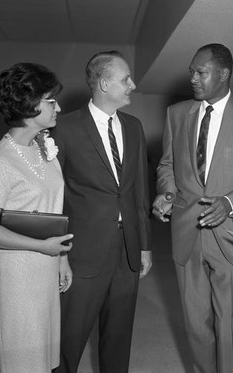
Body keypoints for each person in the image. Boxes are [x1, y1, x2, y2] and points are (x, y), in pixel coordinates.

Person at [152, 43, 233, 373]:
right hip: (186, 233)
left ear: (224, 75)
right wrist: (166, 192)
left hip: (232, 235)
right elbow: (166, 164)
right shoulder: (177, 114)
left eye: (201, 72)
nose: (193, 78)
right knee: (195, 324)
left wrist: (230, 202)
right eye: (191, 71)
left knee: (228, 325)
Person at [53, 51, 152, 373]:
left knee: (118, 337)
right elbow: (53, 197)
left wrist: (145, 245)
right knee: (68, 339)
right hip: (82, 251)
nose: (132, 85)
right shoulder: (64, 128)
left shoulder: (134, 127)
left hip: (127, 249)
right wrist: (59, 253)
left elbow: (138, 190)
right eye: (126, 80)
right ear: (105, 83)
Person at [0, 62, 74, 373]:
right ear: (29, 106)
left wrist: (60, 259)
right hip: (16, 274)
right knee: (21, 362)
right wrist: (44, 248)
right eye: (51, 100)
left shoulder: (42, 147)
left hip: (45, 267)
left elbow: (50, 208)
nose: (59, 106)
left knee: (43, 358)